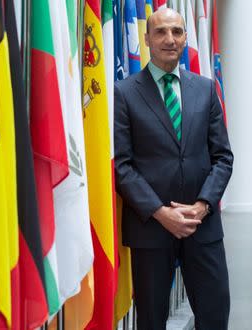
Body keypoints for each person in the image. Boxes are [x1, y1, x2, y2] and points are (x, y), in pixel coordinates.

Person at [114, 8, 233, 330]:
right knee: (151, 320)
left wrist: (202, 206)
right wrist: (160, 213)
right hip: (151, 229)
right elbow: (122, 166)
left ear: (185, 38)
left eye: (177, 32)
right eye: (161, 32)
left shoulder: (206, 89)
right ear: (147, 39)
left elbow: (223, 157)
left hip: (202, 227)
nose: (170, 39)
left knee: (214, 316)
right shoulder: (123, 93)